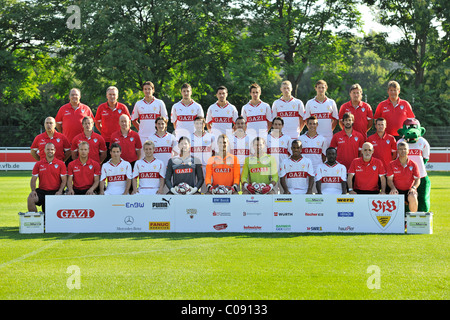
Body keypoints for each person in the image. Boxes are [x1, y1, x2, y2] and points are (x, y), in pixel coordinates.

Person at [28, 143, 67, 213]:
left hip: (56, 191)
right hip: (42, 191)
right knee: (30, 199)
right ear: (44, 151)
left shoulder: (61, 164)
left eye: (52, 149)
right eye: (48, 149)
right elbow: (33, 179)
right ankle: (36, 221)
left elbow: (64, 180)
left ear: (55, 150)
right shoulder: (38, 164)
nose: (50, 151)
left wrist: (60, 191)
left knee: (51, 214)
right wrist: (33, 190)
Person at [94, 86, 131, 159]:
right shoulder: (101, 108)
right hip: (106, 140)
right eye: (110, 94)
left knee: (121, 161)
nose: (112, 96)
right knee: (107, 161)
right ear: (106, 96)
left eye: (114, 94)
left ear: (117, 96)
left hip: (120, 139)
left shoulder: (123, 107)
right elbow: (97, 123)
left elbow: (128, 122)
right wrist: (103, 131)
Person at [130, 81, 168, 153]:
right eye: (145, 89)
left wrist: (159, 130)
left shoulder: (159, 103)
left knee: (156, 158)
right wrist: (141, 129)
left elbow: (165, 120)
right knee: (142, 159)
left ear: (153, 90)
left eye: (149, 89)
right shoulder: (138, 103)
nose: (147, 91)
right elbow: (134, 120)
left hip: (156, 136)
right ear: (143, 90)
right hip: (142, 137)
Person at [387, 141, 420, 212]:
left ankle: (413, 219)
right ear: (398, 151)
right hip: (396, 189)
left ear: (408, 151)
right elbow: (389, 180)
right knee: (393, 195)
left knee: (413, 196)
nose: (403, 151)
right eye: (400, 149)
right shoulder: (391, 164)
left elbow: (417, 179)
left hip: (409, 190)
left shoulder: (413, 164)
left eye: (405, 149)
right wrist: (393, 188)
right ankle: (394, 220)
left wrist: (413, 188)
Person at [303, 80, 339, 144]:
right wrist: (312, 130)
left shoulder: (331, 102)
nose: (321, 89)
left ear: (326, 88)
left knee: (328, 153)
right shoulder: (310, 103)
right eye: (319, 87)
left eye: (323, 87)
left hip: (328, 136)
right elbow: (306, 119)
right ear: (315, 88)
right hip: (314, 136)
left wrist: (329, 130)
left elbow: (335, 120)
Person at [191, 116, 216, 192]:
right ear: (194, 124)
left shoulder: (211, 137)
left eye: (201, 123)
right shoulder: (189, 137)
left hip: (207, 167)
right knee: (194, 190)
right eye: (197, 123)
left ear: (204, 124)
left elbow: (215, 152)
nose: (199, 125)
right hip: (194, 167)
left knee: (207, 190)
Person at [267, 117, 292, 193]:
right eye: (275, 124)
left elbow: (290, 154)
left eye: (279, 124)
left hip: (283, 170)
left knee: (284, 193)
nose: (277, 126)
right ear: (272, 125)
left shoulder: (287, 138)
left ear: (282, 126)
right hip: (271, 171)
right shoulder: (266, 138)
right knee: (271, 193)